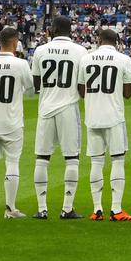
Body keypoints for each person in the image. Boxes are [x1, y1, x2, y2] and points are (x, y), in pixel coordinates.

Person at [30, 15, 87, 220]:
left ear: (53, 29)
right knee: (71, 159)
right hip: (68, 107)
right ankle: (67, 208)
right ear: (70, 30)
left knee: (42, 158)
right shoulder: (81, 51)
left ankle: (42, 208)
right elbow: (82, 88)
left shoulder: (40, 50)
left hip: (46, 107)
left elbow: (36, 84)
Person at [78, 28, 131, 221]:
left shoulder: (86, 59)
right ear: (116, 41)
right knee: (117, 160)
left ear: (99, 40)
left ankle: (97, 209)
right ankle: (117, 209)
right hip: (114, 117)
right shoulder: (124, 60)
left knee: (96, 161)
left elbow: (81, 90)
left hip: (93, 116)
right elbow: (128, 93)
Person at [0, 27, 35, 218]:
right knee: (12, 162)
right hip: (12, 122)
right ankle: (10, 208)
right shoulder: (21, 64)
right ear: (14, 42)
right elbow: (30, 90)